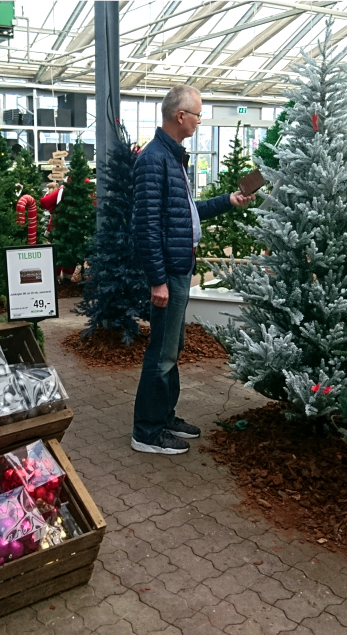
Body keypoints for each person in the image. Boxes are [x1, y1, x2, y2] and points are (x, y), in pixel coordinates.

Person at [131, 85, 255, 455]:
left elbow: (183, 214)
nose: (201, 121)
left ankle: (164, 416)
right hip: (168, 272)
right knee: (162, 351)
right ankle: (147, 432)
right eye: (198, 114)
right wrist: (158, 279)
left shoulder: (172, 159)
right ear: (180, 116)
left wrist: (227, 201)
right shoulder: (153, 160)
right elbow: (146, 225)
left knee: (173, 346)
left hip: (178, 268)